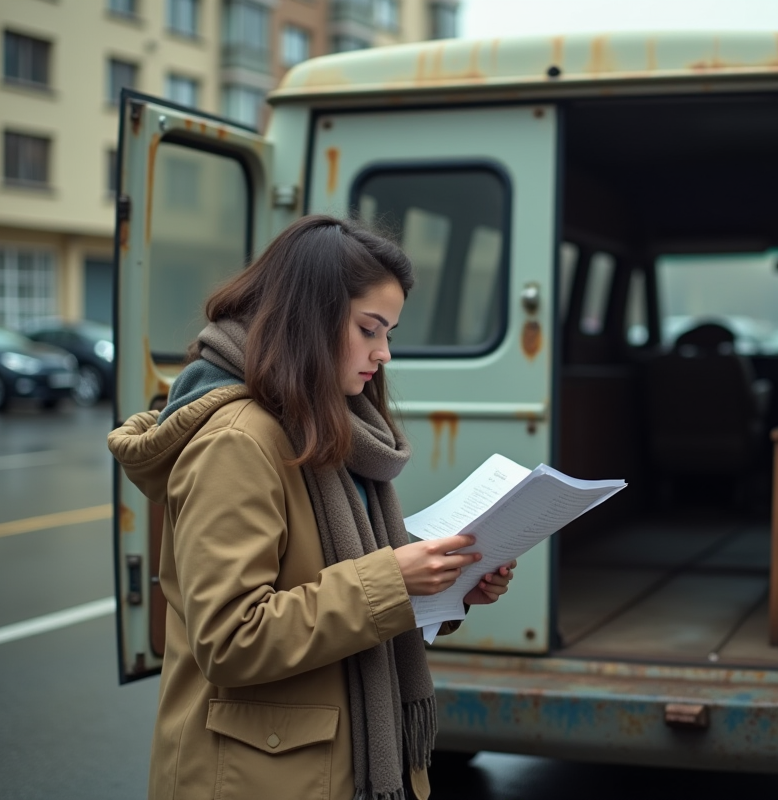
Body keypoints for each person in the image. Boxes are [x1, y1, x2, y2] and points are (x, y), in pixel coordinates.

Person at [108, 214, 515, 800]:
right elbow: (231, 638)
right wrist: (394, 582)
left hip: (315, 764)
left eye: (390, 334)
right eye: (369, 329)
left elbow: (337, 589)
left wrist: (445, 587)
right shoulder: (239, 440)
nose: (384, 354)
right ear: (312, 317)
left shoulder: (325, 424)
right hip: (258, 777)